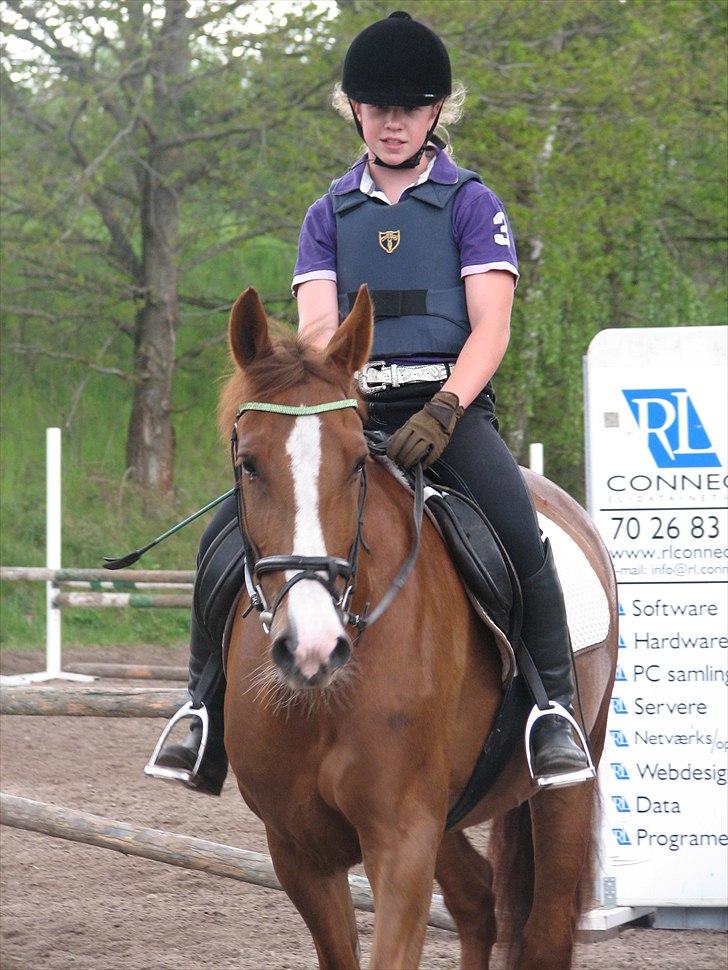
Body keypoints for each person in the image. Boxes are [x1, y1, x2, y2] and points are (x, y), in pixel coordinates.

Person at [148, 10, 591, 795]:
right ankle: (201, 710)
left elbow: (492, 325)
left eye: (410, 109)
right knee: (226, 537)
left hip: (448, 411)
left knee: (520, 535)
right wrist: (335, 403)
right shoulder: (328, 214)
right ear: (354, 109)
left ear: (436, 112)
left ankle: (553, 709)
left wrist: (446, 408)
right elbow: (321, 331)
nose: (393, 123)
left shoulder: (470, 203)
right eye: (380, 108)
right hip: (344, 410)